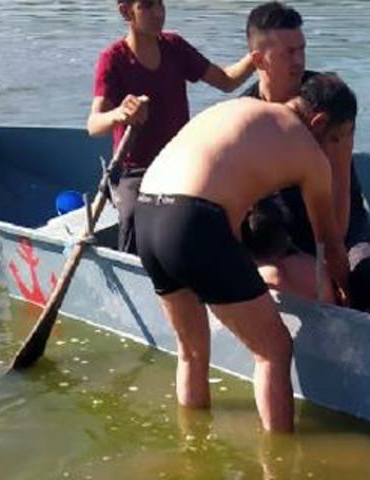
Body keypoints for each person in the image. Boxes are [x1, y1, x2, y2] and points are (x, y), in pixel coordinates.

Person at [135, 73, 355, 432]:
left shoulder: (240, 109)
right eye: (335, 138)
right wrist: (346, 292)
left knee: (191, 352)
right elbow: (329, 243)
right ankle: (279, 464)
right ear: (318, 122)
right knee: (274, 349)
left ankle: (195, 452)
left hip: (146, 213)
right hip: (194, 221)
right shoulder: (309, 152)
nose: (332, 148)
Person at [240, 1, 370, 316]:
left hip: (340, 211)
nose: (299, 61)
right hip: (279, 228)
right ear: (259, 59)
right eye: (289, 53)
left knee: (367, 276)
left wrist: (335, 254)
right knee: (257, 280)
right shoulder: (245, 114)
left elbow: (339, 191)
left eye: (302, 49)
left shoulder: (327, 96)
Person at [87, 0, 255, 254]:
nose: (158, 13)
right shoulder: (113, 59)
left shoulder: (174, 47)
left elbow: (227, 81)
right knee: (134, 218)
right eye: (147, 6)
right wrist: (120, 114)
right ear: (125, 11)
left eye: (161, 4)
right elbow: (94, 125)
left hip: (179, 161)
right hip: (135, 170)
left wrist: (257, 56)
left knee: (225, 204)